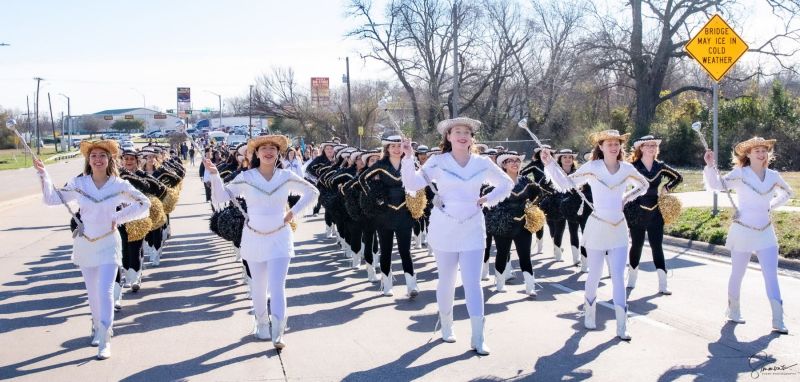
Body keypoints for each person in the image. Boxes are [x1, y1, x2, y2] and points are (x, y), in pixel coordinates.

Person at [400, 117, 513, 355]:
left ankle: (478, 337)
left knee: (473, 282)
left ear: (472, 138)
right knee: (447, 279)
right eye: (457, 131)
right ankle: (447, 326)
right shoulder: (437, 161)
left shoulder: (482, 162)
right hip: (445, 226)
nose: (463, 135)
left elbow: (505, 183)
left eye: (467, 132)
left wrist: (488, 199)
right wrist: (408, 157)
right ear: (448, 137)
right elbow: (412, 183)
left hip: (473, 225)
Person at [34, 140, 150, 360]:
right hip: (86, 242)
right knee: (92, 292)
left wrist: (119, 217)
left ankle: (105, 339)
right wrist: (43, 175)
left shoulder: (118, 185)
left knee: (105, 290)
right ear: (88, 160)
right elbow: (51, 199)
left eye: (102, 156)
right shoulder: (80, 183)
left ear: (109, 160)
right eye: (94, 155)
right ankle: (96, 327)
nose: (98, 159)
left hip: (108, 241)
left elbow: (144, 204)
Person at [205, 135, 319, 348]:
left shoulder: (286, 176)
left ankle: (278, 332)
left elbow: (312, 192)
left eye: (272, 149)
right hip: (254, 236)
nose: (268, 152)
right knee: (258, 285)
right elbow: (221, 197)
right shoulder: (246, 177)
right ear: (256, 154)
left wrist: (292, 213)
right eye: (263, 148)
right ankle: (262, 323)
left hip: (280, 236)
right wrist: (214, 175)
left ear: (278, 153)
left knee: (277, 285)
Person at [541, 130, 648, 341]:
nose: (613, 146)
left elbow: (643, 185)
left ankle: (622, 325)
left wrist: (627, 197)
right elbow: (566, 183)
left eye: (616, 143)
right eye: (608, 143)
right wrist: (550, 165)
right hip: (597, 225)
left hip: (618, 225)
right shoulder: (593, 167)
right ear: (600, 146)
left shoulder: (627, 168)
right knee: (595, 273)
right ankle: (589, 315)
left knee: (618, 276)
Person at [703, 137, 793, 334]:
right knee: (738, 273)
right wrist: (710, 165)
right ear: (748, 154)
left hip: (766, 231)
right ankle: (734, 310)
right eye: (757, 151)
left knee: (771, 275)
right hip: (743, 230)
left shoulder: (773, 175)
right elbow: (717, 185)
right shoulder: (740, 174)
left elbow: (787, 192)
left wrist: (771, 206)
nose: (761, 154)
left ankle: (778, 319)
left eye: (764, 150)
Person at [624, 136, 682, 295]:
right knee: (637, 245)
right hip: (637, 210)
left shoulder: (660, 166)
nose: (652, 148)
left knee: (657, 246)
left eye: (654, 145)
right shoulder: (632, 166)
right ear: (641, 148)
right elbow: (620, 182)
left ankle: (663, 285)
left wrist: (667, 188)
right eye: (648, 145)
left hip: (656, 211)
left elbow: (678, 177)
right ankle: (632, 279)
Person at [363, 135, 419, 298]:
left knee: (405, 251)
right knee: (385, 250)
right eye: (392, 146)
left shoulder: (409, 163)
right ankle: (387, 284)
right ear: (386, 149)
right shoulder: (380, 165)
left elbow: (418, 181)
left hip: (404, 212)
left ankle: (411, 285)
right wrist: (377, 196)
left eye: (398, 145)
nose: (396, 149)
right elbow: (362, 180)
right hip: (385, 213)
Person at [484, 151, 541, 295]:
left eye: (517, 161)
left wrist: (532, 208)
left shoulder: (525, 181)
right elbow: (486, 197)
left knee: (525, 255)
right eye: (511, 161)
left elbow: (538, 194)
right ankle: (500, 283)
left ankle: (530, 286)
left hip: (522, 224)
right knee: (502, 253)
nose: (515, 163)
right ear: (504, 165)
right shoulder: (497, 182)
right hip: (503, 224)